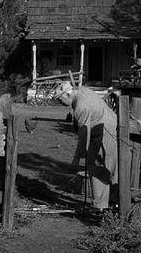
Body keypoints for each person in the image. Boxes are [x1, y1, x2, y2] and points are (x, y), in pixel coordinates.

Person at [53, 81, 118, 211]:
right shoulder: (83, 90)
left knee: (97, 167)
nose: (61, 104)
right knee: (111, 167)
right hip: (111, 125)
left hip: (104, 132)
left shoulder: (81, 108)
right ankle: (113, 201)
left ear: (67, 95)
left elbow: (84, 135)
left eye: (60, 100)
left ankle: (100, 206)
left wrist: (77, 158)